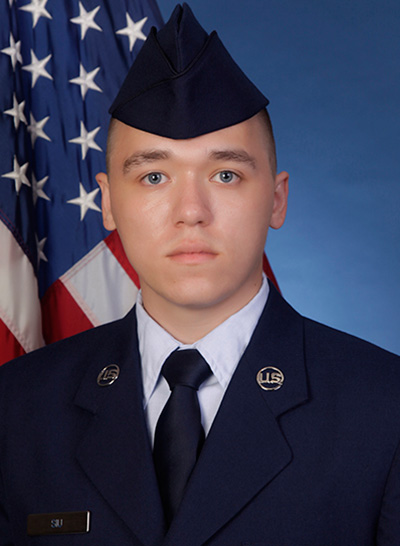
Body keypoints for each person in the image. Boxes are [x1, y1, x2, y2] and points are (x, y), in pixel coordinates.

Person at [1, 3, 400, 545]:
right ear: (108, 203)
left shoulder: (385, 410)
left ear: (277, 200)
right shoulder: (17, 409)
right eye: (154, 176)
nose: (191, 211)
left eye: (226, 174)